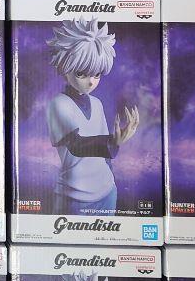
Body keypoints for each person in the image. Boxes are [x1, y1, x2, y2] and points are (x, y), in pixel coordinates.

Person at [46, 18, 139, 216]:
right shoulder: (58, 104)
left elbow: (105, 157)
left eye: (97, 75)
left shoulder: (97, 104)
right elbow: (77, 145)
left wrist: (112, 152)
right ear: (65, 68)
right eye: (82, 73)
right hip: (74, 195)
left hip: (107, 191)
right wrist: (112, 141)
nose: (91, 82)